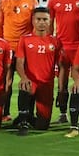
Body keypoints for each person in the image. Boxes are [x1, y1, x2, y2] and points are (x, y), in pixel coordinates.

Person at [0, 0, 36, 121]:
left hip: (25, 49)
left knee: (28, 80)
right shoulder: (3, 2)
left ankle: (27, 113)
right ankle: (4, 112)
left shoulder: (31, 2)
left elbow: (34, 26)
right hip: (7, 47)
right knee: (6, 82)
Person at [14, 7, 61, 135]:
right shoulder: (25, 39)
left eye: (44, 19)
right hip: (31, 81)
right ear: (33, 21)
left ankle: (27, 117)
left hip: (47, 85)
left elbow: (60, 64)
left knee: (42, 126)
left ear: (50, 21)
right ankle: (23, 122)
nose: (41, 22)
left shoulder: (55, 41)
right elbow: (19, 62)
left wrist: (60, 86)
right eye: (38, 19)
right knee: (25, 87)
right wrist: (23, 77)